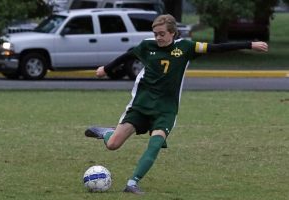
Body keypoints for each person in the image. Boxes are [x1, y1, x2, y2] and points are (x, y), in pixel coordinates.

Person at [84, 14, 268, 195]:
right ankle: (107, 133)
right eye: (156, 33)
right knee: (113, 145)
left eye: (162, 34)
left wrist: (250, 44)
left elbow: (216, 48)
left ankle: (132, 183)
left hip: (166, 108)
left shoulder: (187, 47)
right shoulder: (147, 46)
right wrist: (105, 69)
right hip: (142, 104)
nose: (158, 37)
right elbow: (127, 56)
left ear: (172, 33)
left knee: (155, 143)